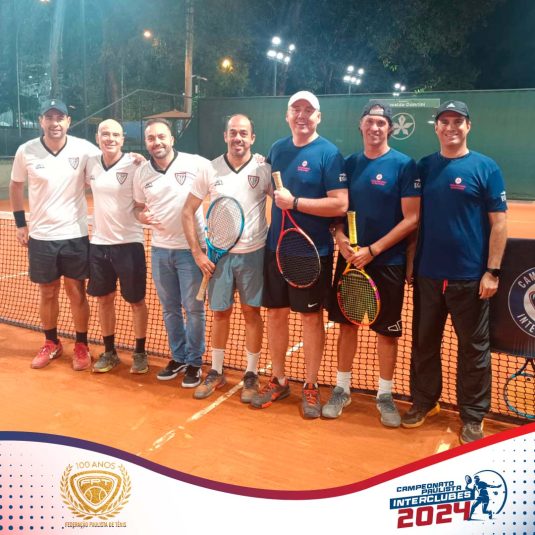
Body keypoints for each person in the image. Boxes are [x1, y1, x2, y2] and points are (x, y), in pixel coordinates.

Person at [402, 100, 507, 444]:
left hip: (470, 280)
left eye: (457, 121)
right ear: (436, 127)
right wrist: (411, 261)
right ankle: (424, 403)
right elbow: (415, 220)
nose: (451, 127)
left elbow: (499, 224)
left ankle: (473, 416)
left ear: (468, 126)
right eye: (444, 122)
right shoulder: (424, 167)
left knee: (473, 351)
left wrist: (492, 271)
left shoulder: (486, 168)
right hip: (428, 276)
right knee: (424, 345)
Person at [251, 91, 348, 419]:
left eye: (309, 110)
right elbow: (267, 187)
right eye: (296, 109)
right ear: (287, 115)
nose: (302, 115)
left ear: (318, 117)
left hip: (311, 252)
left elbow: (340, 204)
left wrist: (295, 203)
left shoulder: (329, 154)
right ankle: (279, 380)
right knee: (276, 314)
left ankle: (310, 383)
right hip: (276, 248)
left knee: (310, 318)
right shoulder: (277, 149)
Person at [324, 100, 421, 427]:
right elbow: (337, 211)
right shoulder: (349, 164)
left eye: (381, 122)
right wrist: (340, 239)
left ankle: (385, 394)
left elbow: (412, 219)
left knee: (386, 333)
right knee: (346, 326)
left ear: (389, 128)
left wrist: (374, 250)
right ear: (361, 125)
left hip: (387, 261)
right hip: (351, 260)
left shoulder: (405, 165)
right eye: (370, 121)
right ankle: (342, 389)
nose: (375, 127)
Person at [182, 114, 271, 402]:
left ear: (252, 138)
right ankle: (216, 371)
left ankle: (251, 373)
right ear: (225, 136)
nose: (238, 138)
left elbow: (282, 200)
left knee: (251, 313)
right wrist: (198, 252)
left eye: (243, 133)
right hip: (218, 257)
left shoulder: (263, 168)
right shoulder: (210, 169)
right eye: (233, 132)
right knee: (220, 313)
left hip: (253, 254)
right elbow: (187, 211)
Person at [10, 99, 99, 371]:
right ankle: (51, 342)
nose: (54, 123)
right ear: (41, 121)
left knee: (76, 291)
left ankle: (81, 344)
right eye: (49, 118)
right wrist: (20, 224)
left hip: (74, 235)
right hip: (41, 236)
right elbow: (16, 186)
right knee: (47, 292)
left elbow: (112, 162)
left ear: (68, 121)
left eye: (59, 118)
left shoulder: (84, 149)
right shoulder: (26, 151)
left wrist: (135, 160)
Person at [133, 118, 209, 388]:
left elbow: (225, 168)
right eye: (151, 138)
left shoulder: (195, 163)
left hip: (192, 251)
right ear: (146, 143)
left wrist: (258, 159)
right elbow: (137, 206)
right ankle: (178, 357)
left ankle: (195, 361)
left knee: (194, 309)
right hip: (160, 250)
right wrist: (141, 216)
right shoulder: (141, 173)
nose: (157, 142)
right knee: (169, 309)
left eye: (161, 136)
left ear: (172, 139)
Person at [86, 119, 149, 374]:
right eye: (105, 134)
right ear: (97, 137)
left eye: (115, 134)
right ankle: (109, 352)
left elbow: (144, 200)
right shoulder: (90, 163)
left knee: (136, 301)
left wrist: (143, 161)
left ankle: (140, 352)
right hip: (99, 244)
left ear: (122, 139)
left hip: (129, 244)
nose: (110, 138)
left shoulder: (135, 165)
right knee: (104, 299)